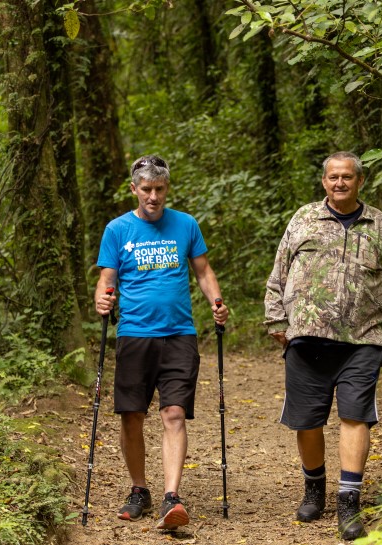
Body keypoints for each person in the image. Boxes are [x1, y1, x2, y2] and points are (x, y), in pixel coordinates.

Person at [264, 151, 382, 540]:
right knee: (307, 420)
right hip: (307, 337)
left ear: (360, 182)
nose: (340, 183)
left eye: (347, 177)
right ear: (324, 182)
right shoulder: (303, 219)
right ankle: (314, 488)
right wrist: (276, 319)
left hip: (363, 339)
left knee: (356, 415)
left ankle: (349, 500)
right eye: (333, 177)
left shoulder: (379, 224)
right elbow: (278, 274)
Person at [94, 154, 229, 531]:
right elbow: (107, 277)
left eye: (159, 189)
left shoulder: (185, 224)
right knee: (132, 415)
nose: (153, 196)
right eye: (146, 189)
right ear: (134, 188)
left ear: (167, 188)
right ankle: (139, 489)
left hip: (179, 335)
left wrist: (216, 302)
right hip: (135, 335)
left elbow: (202, 271)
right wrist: (102, 298)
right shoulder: (117, 229)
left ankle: (172, 497)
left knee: (173, 414)